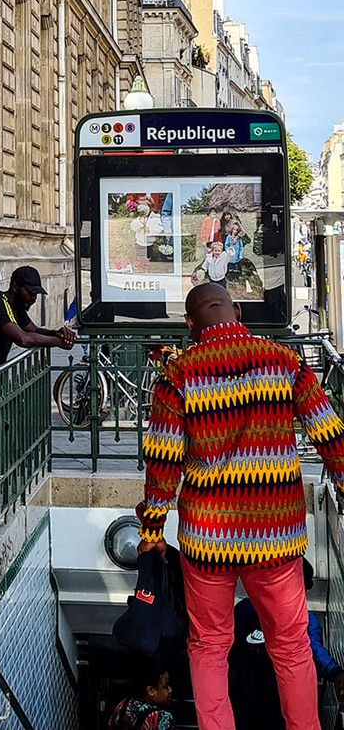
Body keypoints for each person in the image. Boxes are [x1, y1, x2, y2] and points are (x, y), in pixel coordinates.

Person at [137, 281, 344, 730]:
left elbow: (162, 463)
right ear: (238, 315)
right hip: (275, 538)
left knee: (209, 646)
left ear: (190, 324)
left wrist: (152, 530)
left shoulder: (178, 376)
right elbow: (330, 434)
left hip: (207, 542)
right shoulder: (284, 361)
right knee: (291, 646)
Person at [230, 557, 344, 729]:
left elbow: (315, 650)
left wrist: (335, 673)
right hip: (242, 701)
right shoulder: (245, 610)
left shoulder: (306, 620)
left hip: (279, 707)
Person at [0, 265, 76, 382]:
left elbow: (33, 330)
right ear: (15, 286)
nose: (33, 298)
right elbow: (23, 339)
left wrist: (55, 333)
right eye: (30, 292)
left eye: (36, 294)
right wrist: (58, 342)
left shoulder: (15, 306)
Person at [108, 655, 176, 729]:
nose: (170, 690)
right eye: (166, 686)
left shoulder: (123, 705)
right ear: (151, 691)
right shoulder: (162, 718)